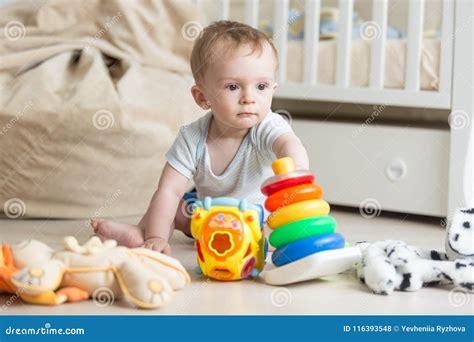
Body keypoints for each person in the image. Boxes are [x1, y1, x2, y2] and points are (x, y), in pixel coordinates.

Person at [91, 20, 309, 254]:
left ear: (272, 90)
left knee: (287, 217)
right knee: (175, 204)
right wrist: (157, 237)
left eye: (261, 86)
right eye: (233, 87)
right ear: (202, 97)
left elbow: (288, 144)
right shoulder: (192, 137)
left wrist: (294, 169)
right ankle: (142, 233)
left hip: (260, 221)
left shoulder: (266, 126)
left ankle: (267, 236)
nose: (249, 98)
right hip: (208, 218)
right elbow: (169, 189)